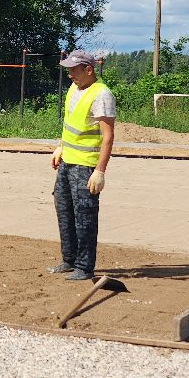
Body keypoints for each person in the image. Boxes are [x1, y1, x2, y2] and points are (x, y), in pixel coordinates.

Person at [49, 49, 115, 281]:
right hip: (67, 162)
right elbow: (70, 124)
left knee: (85, 217)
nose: (70, 75)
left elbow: (107, 136)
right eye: (68, 71)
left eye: (74, 70)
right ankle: (69, 260)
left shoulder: (102, 95)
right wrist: (61, 146)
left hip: (85, 167)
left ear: (88, 69)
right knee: (64, 211)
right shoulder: (73, 89)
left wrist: (100, 171)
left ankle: (85, 267)